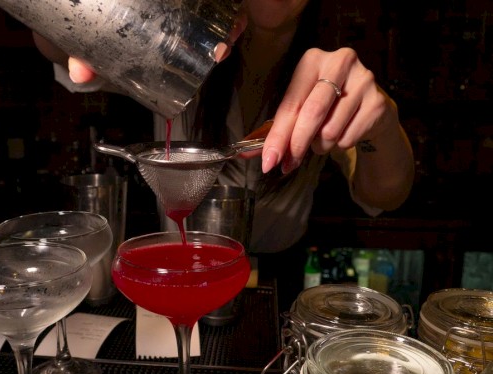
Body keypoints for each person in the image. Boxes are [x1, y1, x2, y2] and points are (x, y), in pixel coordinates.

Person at [33, 0, 415, 312]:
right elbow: (53, 40)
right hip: (179, 268)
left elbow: (385, 196)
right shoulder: (174, 48)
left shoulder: (337, 75)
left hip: (279, 283)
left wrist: (382, 126)